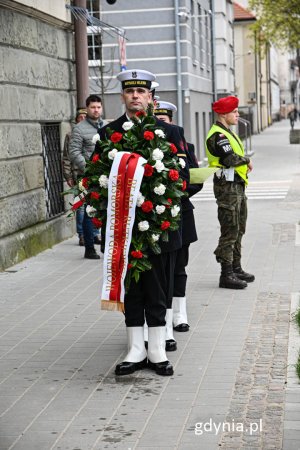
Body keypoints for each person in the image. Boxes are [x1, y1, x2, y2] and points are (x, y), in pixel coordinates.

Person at [95, 69, 189, 376]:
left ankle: (158, 349)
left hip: (159, 228)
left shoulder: (170, 133)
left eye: (141, 92)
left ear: (150, 97)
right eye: (129, 91)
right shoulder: (110, 134)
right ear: (122, 96)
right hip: (125, 230)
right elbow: (95, 179)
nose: (135, 96)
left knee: (158, 287)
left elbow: (183, 179)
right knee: (132, 289)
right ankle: (136, 349)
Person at [154, 101, 203, 347]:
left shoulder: (185, 145)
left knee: (179, 265)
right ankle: (161, 319)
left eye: (165, 119)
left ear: (171, 121)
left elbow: (195, 180)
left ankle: (179, 313)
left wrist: (175, 195)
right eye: (157, 118)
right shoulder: (148, 145)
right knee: (160, 270)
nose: (161, 122)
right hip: (155, 217)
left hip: (181, 212)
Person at [205, 96, 255, 289]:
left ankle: (236, 267)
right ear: (223, 114)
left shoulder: (227, 132)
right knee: (230, 230)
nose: (237, 114)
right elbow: (229, 159)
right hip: (227, 189)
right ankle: (226, 274)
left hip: (237, 186)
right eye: (234, 111)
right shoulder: (218, 135)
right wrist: (247, 160)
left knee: (239, 228)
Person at [69, 95, 107, 259]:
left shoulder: (107, 127)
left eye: (98, 107)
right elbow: (74, 152)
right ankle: (89, 247)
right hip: (87, 177)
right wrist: (90, 168)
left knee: (105, 211)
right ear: (87, 108)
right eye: (93, 107)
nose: (96, 110)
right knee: (88, 212)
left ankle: (105, 245)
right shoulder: (79, 128)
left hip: (105, 176)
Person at [63, 108, 87, 246]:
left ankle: (94, 234)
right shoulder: (70, 135)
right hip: (78, 175)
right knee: (81, 206)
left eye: (85, 116)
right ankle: (82, 234)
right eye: (80, 117)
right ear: (76, 119)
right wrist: (68, 175)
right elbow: (66, 157)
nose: (83, 119)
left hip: (92, 174)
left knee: (93, 206)